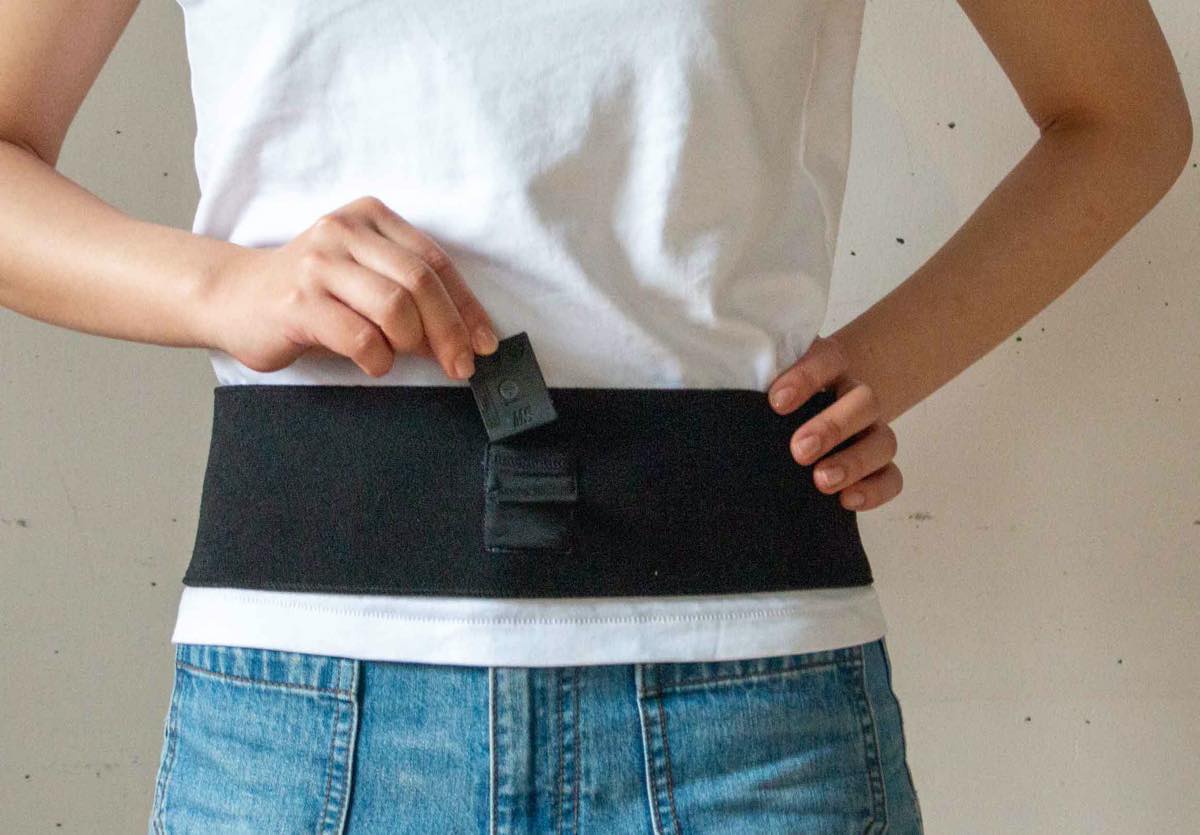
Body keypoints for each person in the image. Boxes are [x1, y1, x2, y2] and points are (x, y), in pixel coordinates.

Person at [0, 0, 1189, 832]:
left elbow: (1123, 116)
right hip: (305, 716)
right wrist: (223, 287)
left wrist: (876, 368)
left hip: (751, 721)